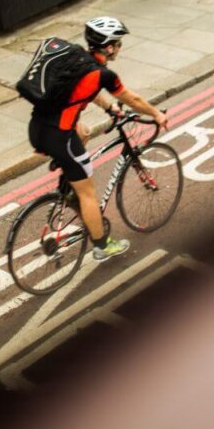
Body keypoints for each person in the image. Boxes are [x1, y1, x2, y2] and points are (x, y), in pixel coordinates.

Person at [28, 16, 169, 262]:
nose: (119, 48)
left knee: (82, 133)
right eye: (118, 43)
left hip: (38, 128)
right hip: (59, 136)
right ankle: (103, 245)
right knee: (88, 194)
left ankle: (68, 188)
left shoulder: (79, 60)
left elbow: (88, 90)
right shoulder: (104, 74)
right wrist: (156, 114)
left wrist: (110, 108)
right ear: (109, 46)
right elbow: (133, 100)